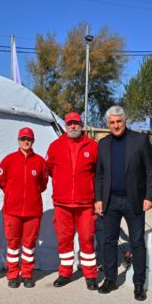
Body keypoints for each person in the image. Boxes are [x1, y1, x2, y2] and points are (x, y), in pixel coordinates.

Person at [94, 105, 152, 298]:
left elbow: (150, 172)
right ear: (108, 124)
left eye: (118, 122)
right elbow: (99, 175)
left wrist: (149, 197)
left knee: (137, 242)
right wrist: (98, 198)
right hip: (110, 201)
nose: (115, 125)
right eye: (112, 123)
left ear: (125, 121)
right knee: (109, 241)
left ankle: (139, 283)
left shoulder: (140, 140)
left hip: (134, 200)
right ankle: (111, 279)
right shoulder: (103, 144)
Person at [46, 112, 98, 290]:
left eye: (76, 123)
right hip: (62, 203)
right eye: (70, 124)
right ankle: (65, 272)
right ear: (65, 126)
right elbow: (51, 169)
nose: (73, 126)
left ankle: (90, 274)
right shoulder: (55, 146)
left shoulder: (92, 146)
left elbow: (98, 173)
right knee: (64, 239)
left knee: (87, 239)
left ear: (81, 125)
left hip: (85, 203)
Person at [0, 127, 48, 288]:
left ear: (33, 141)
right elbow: (1, 181)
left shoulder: (40, 162)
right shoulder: (8, 160)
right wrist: (13, 194)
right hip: (12, 211)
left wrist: (30, 194)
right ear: (18, 140)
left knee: (29, 244)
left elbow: (42, 185)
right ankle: (12, 274)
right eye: (23, 139)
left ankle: (27, 274)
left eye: (29, 139)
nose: (26, 141)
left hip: (33, 211)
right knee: (13, 245)